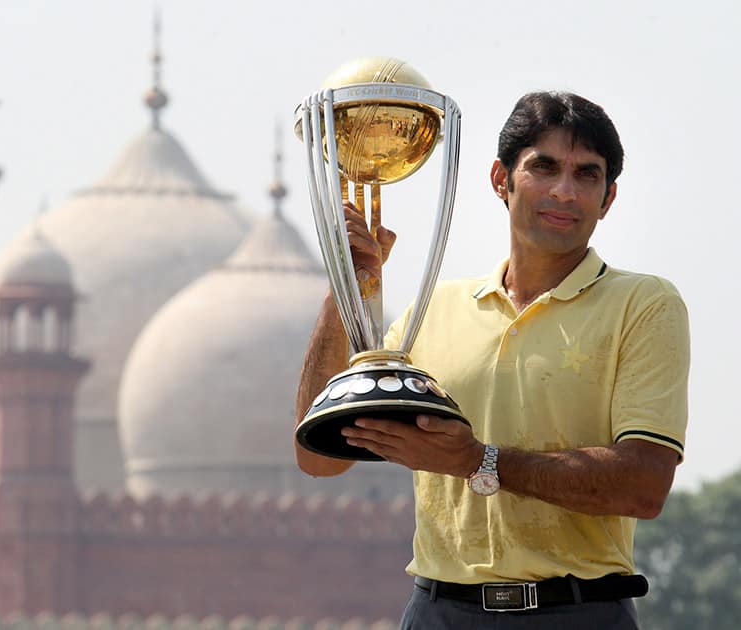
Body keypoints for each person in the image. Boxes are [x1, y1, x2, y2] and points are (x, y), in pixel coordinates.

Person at [295, 91, 689, 629]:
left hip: (576, 613)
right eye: (543, 167)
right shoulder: (433, 311)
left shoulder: (642, 305)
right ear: (500, 179)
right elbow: (320, 458)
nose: (564, 192)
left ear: (609, 197)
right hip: (439, 611)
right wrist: (347, 285)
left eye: (587, 175)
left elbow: (642, 486)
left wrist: (477, 461)